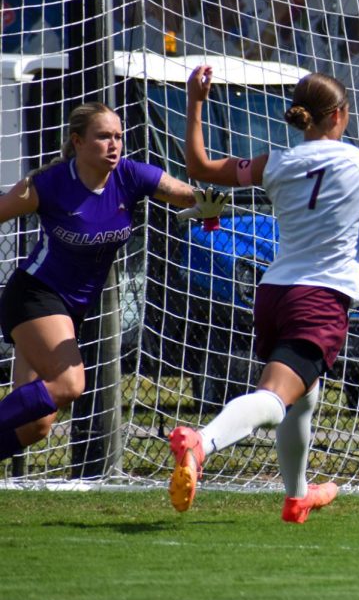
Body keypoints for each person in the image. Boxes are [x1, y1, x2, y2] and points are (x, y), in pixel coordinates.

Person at [167, 65, 359, 523]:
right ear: (338, 115)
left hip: (275, 293)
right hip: (320, 298)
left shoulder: (274, 163)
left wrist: (196, 101)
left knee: (305, 397)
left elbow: (199, 167)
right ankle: (203, 443)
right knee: (275, 397)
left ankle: (297, 497)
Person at [0, 102, 224, 465]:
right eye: (103, 136)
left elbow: (179, 191)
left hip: (70, 309)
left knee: (36, 425)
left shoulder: (130, 176)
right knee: (71, 383)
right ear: (78, 141)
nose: (114, 144)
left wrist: (205, 203)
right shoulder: (50, 184)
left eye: (118, 136)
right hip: (35, 295)